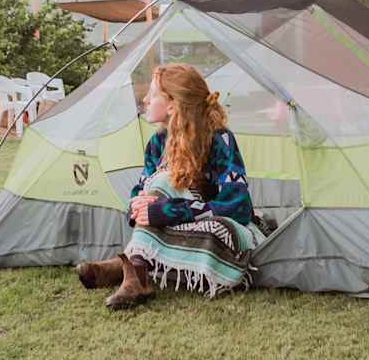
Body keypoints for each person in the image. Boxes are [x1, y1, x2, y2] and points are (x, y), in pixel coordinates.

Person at [75, 62, 263, 310]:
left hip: (220, 227)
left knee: (166, 182)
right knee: (157, 186)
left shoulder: (218, 139)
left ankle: (129, 266)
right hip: (179, 226)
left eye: (153, 94)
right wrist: (138, 206)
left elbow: (238, 205)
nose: (145, 100)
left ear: (173, 105)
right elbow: (140, 191)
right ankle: (136, 270)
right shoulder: (157, 143)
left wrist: (169, 211)